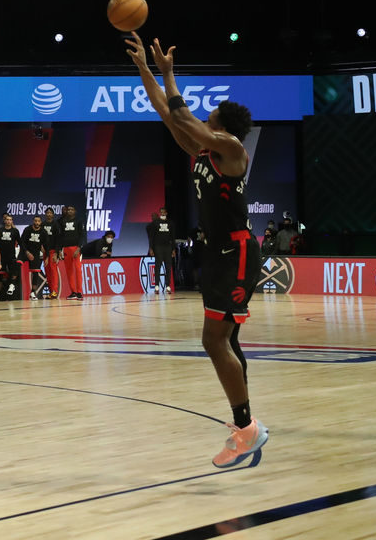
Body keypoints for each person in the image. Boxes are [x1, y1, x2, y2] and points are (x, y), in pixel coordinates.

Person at [127, 31, 267, 468]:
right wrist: (148, 72)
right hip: (217, 255)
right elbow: (168, 115)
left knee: (213, 340)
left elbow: (184, 119)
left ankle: (247, 428)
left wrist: (169, 75)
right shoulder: (205, 148)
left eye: (211, 113)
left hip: (237, 252)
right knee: (226, 340)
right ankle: (244, 424)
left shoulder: (231, 149)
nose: (203, 115)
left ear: (221, 122)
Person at [56, 205, 84, 299]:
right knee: (69, 271)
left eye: (72, 209)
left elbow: (82, 235)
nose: (70, 211)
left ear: (75, 211)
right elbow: (60, 237)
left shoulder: (79, 221)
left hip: (76, 249)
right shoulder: (63, 222)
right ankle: (73, 292)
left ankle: (79, 292)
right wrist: (60, 249)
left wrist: (79, 248)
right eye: (68, 210)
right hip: (66, 249)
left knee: (78, 270)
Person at [147, 207, 175, 294]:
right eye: (161, 212)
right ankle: (156, 286)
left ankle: (168, 286)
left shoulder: (170, 223)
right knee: (158, 266)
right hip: (158, 246)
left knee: (168, 266)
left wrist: (173, 249)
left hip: (168, 247)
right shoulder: (155, 223)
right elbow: (151, 236)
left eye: (164, 212)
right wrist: (151, 248)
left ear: (166, 213)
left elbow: (173, 237)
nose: (162, 214)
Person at [0, 214, 22, 300]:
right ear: (4, 221)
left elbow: (21, 243)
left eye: (10, 219)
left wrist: (21, 254)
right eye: (7, 219)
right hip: (2, 256)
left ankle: (12, 290)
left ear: (12, 221)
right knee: (0, 276)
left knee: (13, 273)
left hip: (11, 256)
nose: (8, 221)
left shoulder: (15, 231)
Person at [21, 216, 47, 299]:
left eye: (38, 221)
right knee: (17, 263)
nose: (37, 223)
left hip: (36, 253)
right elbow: (22, 242)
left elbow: (46, 245)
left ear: (40, 222)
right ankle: (12, 285)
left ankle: (33, 293)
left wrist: (47, 257)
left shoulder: (43, 232)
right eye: (35, 221)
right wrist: (27, 252)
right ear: (33, 221)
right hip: (25, 251)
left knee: (35, 272)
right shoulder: (27, 229)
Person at [42, 208, 60, 299]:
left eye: (50, 213)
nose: (49, 214)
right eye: (47, 213)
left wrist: (56, 252)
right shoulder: (43, 224)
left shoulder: (56, 224)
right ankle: (51, 291)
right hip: (45, 251)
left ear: (53, 214)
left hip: (53, 251)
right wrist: (41, 246)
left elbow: (58, 239)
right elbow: (40, 237)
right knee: (47, 272)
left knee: (53, 271)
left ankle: (54, 291)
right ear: (45, 214)